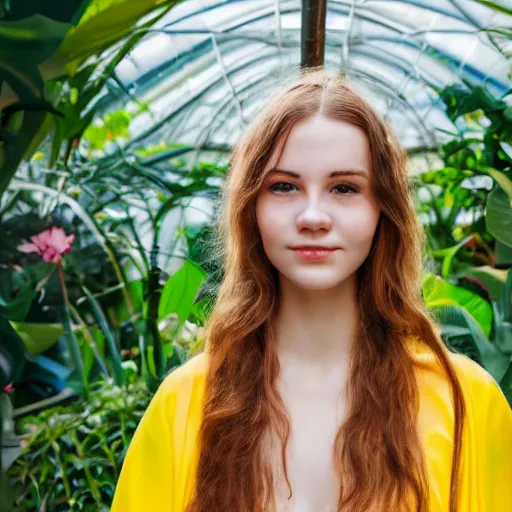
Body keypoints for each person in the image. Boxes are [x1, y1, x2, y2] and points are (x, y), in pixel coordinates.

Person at [110, 69, 512, 512]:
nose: (313, 215)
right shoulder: (184, 403)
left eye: (344, 188)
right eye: (284, 186)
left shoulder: (468, 402)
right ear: (251, 208)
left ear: (384, 209)